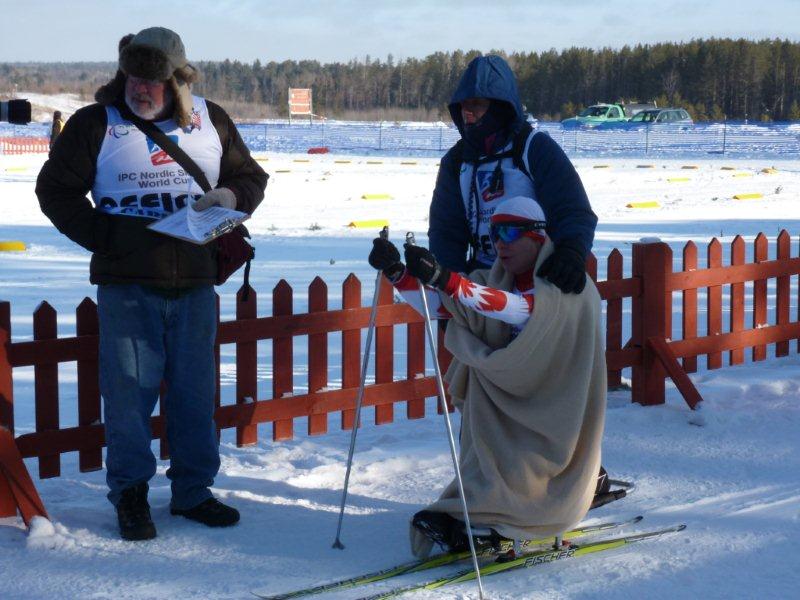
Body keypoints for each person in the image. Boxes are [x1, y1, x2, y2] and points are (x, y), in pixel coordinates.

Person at [36, 27, 268, 541]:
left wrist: (230, 197)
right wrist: (107, 237)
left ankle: (192, 491)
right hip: (127, 288)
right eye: (133, 78)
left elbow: (252, 178)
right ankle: (131, 495)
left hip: (195, 285)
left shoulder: (212, 120)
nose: (140, 89)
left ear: (179, 81)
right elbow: (55, 190)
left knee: (194, 396)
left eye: (153, 81)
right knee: (128, 400)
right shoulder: (95, 123)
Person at [368, 196, 606, 558]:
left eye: (510, 233)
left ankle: (508, 520)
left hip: (552, 407)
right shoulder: (493, 280)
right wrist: (398, 274)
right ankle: (483, 516)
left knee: (524, 467)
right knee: (486, 457)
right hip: (500, 398)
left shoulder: (567, 283)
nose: (500, 244)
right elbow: (445, 308)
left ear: (538, 237)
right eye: (495, 234)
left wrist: (446, 280)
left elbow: (519, 311)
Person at [429, 54, 597, 294]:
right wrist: (450, 286)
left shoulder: (534, 148)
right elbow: (446, 229)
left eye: (476, 103)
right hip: (483, 282)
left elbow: (572, 209)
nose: (467, 112)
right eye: (463, 104)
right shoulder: (457, 161)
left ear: (499, 106)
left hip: (538, 281)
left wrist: (571, 251)